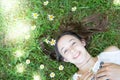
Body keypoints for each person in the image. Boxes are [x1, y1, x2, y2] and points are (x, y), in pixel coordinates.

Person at [40, 13, 120, 80]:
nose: (72, 50)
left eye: (73, 43)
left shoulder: (110, 53)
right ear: (65, 59)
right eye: (65, 51)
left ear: (82, 42)